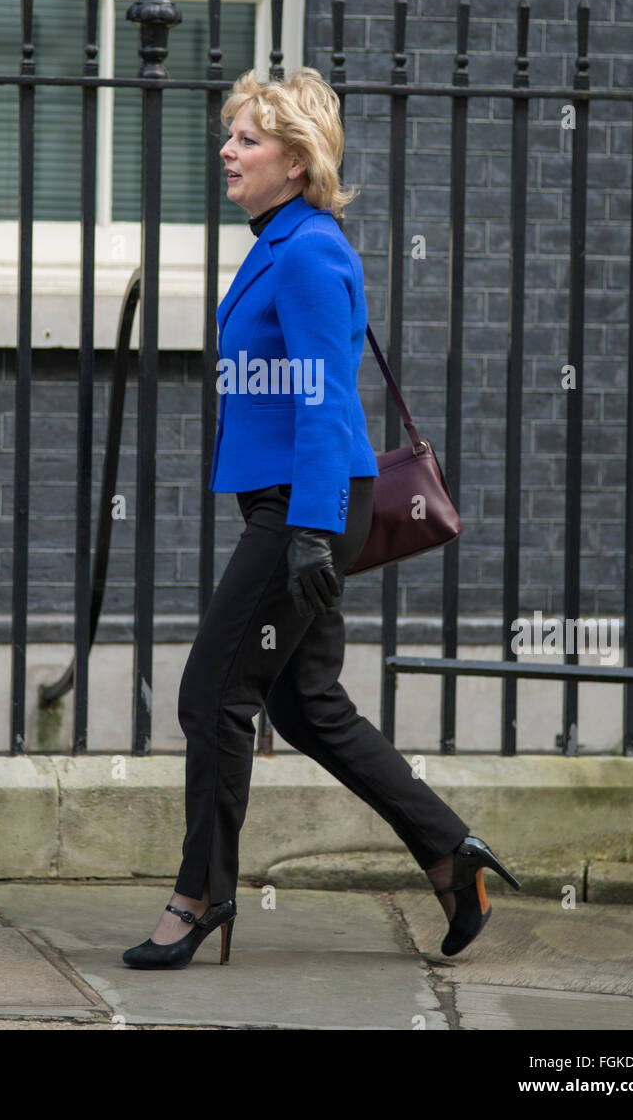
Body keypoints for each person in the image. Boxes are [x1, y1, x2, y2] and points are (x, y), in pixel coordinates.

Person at [122, 68, 520, 971]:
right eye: (230, 134)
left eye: (248, 140)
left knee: (211, 695)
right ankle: (448, 852)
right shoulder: (281, 241)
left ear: (296, 163)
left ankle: (200, 896)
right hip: (299, 503)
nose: (226, 150)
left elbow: (323, 399)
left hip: (304, 508)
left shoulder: (304, 252)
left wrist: (303, 531)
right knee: (306, 705)